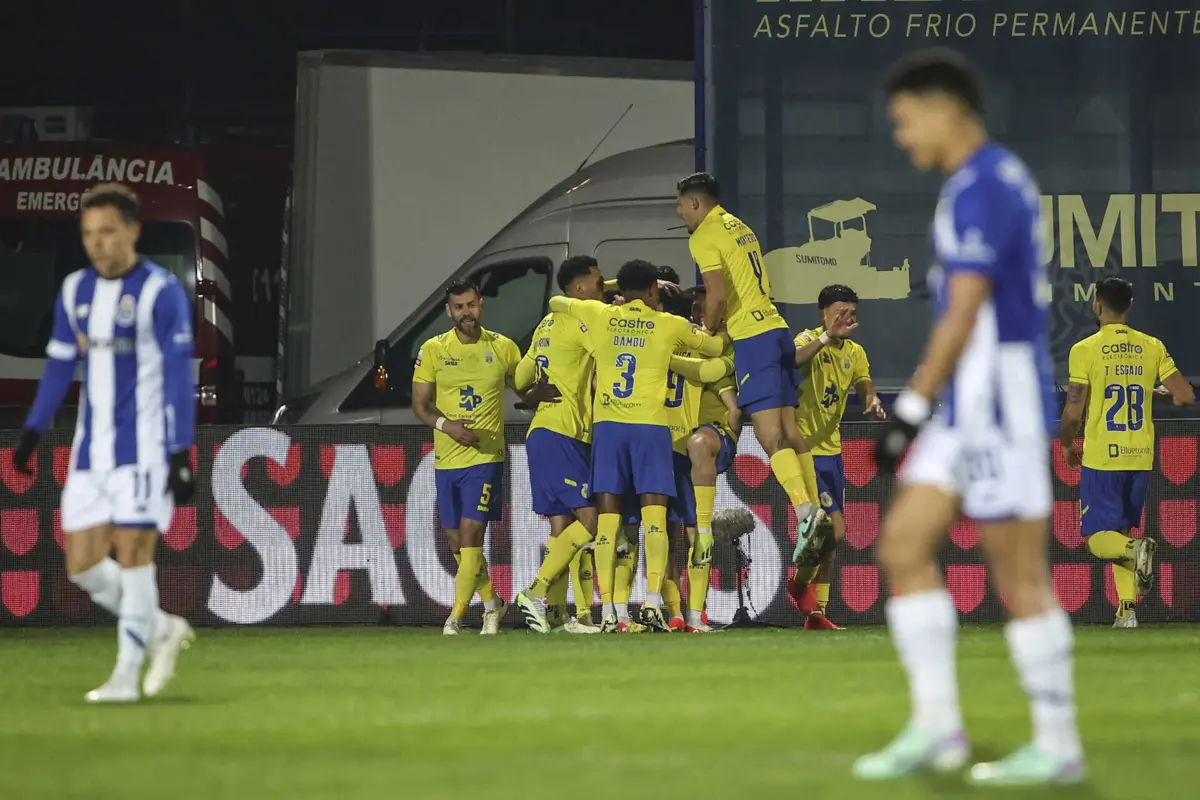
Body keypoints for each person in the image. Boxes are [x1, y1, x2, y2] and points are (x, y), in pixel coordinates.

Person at [859, 49, 1085, 785]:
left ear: (943, 107)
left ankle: (1057, 744)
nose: (900, 135)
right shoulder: (980, 183)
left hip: (998, 401)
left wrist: (913, 405)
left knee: (1019, 576)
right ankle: (937, 730)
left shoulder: (986, 186)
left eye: (903, 119)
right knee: (901, 545)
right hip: (967, 404)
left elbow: (965, 308)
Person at [13, 183, 197, 703]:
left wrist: (179, 452)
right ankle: (162, 627)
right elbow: (57, 366)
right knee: (84, 567)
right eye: (89, 233)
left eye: (107, 231)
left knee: (135, 555)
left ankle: (125, 677)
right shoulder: (75, 291)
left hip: (145, 449)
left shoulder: (161, 293)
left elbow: (180, 378)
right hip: (90, 454)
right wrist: (33, 430)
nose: (97, 243)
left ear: (133, 232)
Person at [549, 259, 723, 632]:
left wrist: (613, 288)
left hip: (609, 428)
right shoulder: (669, 324)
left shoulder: (599, 314)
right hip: (650, 429)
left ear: (620, 289)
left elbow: (556, 303)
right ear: (654, 291)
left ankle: (612, 611)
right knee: (655, 521)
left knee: (610, 523)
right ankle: (653, 600)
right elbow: (714, 347)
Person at [676, 172, 829, 574]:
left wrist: (708, 328)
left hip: (753, 337)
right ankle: (815, 509)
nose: (678, 213)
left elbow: (718, 295)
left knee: (767, 434)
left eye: (680, 205)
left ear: (695, 203)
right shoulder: (738, 225)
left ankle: (805, 510)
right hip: (776, 328)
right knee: (789, 430)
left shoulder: (702, 236)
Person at [1060, 276, 1194, 628]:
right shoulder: (1151, 345)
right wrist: (1153, 390)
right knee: (1119, 530)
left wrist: (1066, 443)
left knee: (1097, 540)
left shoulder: (1085, 349)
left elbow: (1074, 409)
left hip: (1103, 456)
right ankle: (1127, 612)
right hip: (1140, 455)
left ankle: (1136, 551)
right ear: (1130, 306)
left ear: (1097, 305)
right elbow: (1184, 395)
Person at [412, 278, 523, 636]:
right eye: (459, 307)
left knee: (472, 532)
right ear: (449, 311)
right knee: (455, 541)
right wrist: (448, 427)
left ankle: (456, 617)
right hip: (447, 459)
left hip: (486, 457)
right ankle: (493, 603)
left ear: (481, 305)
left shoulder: (504, 347)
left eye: (471, 305)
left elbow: (523, 387)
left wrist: (545, 392)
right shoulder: (433, 349)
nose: (466, 313)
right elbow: (420, 407)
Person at [512, 257, 605, 635]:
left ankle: (565, 616)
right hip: (563, 434)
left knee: (561, 529)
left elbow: (520, 378)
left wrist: (533, 393)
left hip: (543, 433)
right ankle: (534, 593)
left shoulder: (545, 325)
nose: (603, 287)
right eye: (599, 282)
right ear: (580, 289)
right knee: (593, 521)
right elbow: (609, 350)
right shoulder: (580, 321)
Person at [787, 285, 885, 630]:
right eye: (839, 312)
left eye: (852, 313)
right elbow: (794, 360)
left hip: (833, 452)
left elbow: (864, 383)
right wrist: (827, 337)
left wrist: (871, 399)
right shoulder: (807, 340)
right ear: (823, 313)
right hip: (805, 452)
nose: (847, 319)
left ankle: (818, 614)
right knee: (834, 531)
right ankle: (799, 587)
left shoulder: (855, 352)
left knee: (830, 541)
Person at [665, 285, 740, 632]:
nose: (698, 315)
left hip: (705, 437)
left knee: (696, 532)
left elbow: (731, 404)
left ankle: (697, 611)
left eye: (704, 309)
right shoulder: (678, 340)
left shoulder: (726, 344)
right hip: (670, 443)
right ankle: (673, 611)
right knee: (664, 532)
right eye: (693, 309)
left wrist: (732, 431)